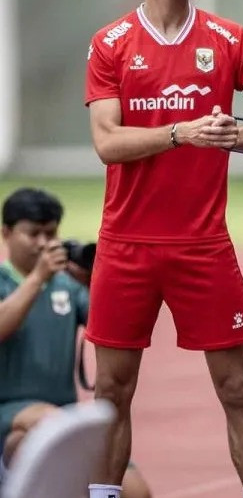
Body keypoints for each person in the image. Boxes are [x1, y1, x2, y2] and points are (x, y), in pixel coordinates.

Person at [84, 0, 243, 498]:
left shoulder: (229, 38)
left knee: (237, 388)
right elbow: (107, 143)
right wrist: (181, 132)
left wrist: (236, 133)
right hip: (126, 245)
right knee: (111, 392)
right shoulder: (110, 44)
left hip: (203, 246)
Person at [0, 188, 150, 498]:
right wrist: (37, 279)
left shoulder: (67, 285)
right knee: (47, 433)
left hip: (61, 414)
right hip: (9, 411)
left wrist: (98, 283)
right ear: (6, 233)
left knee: (136, 491)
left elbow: (116, 328)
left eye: (51, 233)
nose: (43, 243)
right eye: (33, 234)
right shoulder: (6, 280)